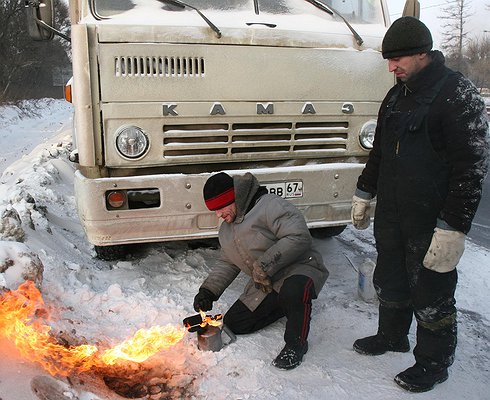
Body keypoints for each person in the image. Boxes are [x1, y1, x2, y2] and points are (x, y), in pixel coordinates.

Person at [350, 16, 489, 393]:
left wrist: (454, 227)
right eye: (389, 61)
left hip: (433, 220)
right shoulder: (397, 95)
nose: (391, 67)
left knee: (431, 293)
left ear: (423, 53)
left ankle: (434, 363)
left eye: (397, 60)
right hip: (393, 214)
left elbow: (472, 168)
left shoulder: (456, 94)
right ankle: (392, 336)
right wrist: (365, 192)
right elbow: (378, 151)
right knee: (390, 280)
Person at [193, 171, 328, 370]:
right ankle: (285, 305)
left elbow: (298, 236)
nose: (218, 214)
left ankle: (295, 345)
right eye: (214, 210)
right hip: (268, 281)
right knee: (236, 323)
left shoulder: (269, 206)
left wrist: (264, 265)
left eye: (221, 207)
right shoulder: (227, 230)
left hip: (301, 268)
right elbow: (227, 262)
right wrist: (208, 291)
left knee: (293, 291)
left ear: (234, 198)